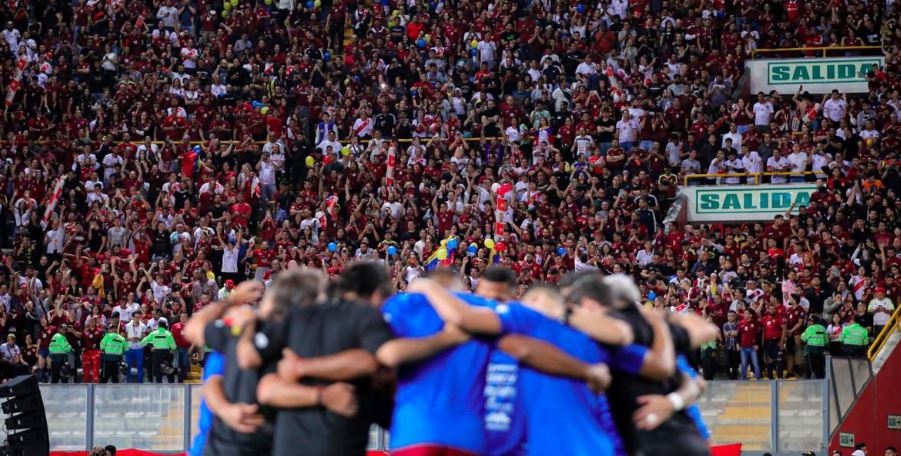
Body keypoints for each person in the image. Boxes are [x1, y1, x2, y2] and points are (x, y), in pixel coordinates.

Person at [237, 263, 394, 456]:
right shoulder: (367, 318)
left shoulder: (295, 320)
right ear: (378, 294)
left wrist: (302, 368)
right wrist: (324, 395)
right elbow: (376, 360)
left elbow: (265, 385)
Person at [124, 311, 147, 383]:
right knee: (128, 364)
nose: (137, 319)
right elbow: (124, 337)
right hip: (129, 347)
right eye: (136, 317)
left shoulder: (143, 326)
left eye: (139, 317)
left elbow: (144, 336)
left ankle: (140, 381)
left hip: (139, 347)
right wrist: (131, 339)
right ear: (132, 317)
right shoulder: (127, 326)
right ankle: (128, 380)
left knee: (140, 364)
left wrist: (140, 338)